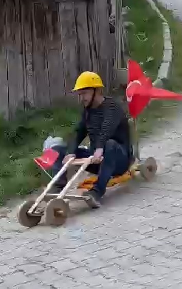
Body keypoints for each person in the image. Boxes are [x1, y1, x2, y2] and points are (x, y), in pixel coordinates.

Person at [49, 71, 132, 208]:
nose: (81, 98)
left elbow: (107, 127)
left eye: (84, 93)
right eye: (80, 94)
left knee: (110, 144)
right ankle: (57, 188)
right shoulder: (87, 110)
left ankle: (97, 192)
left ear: (97, 91)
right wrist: (71, 151)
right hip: (97, 159)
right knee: (57, 150)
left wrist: (100, 148)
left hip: (119, 160)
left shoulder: (112, 107)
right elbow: (79, 132)